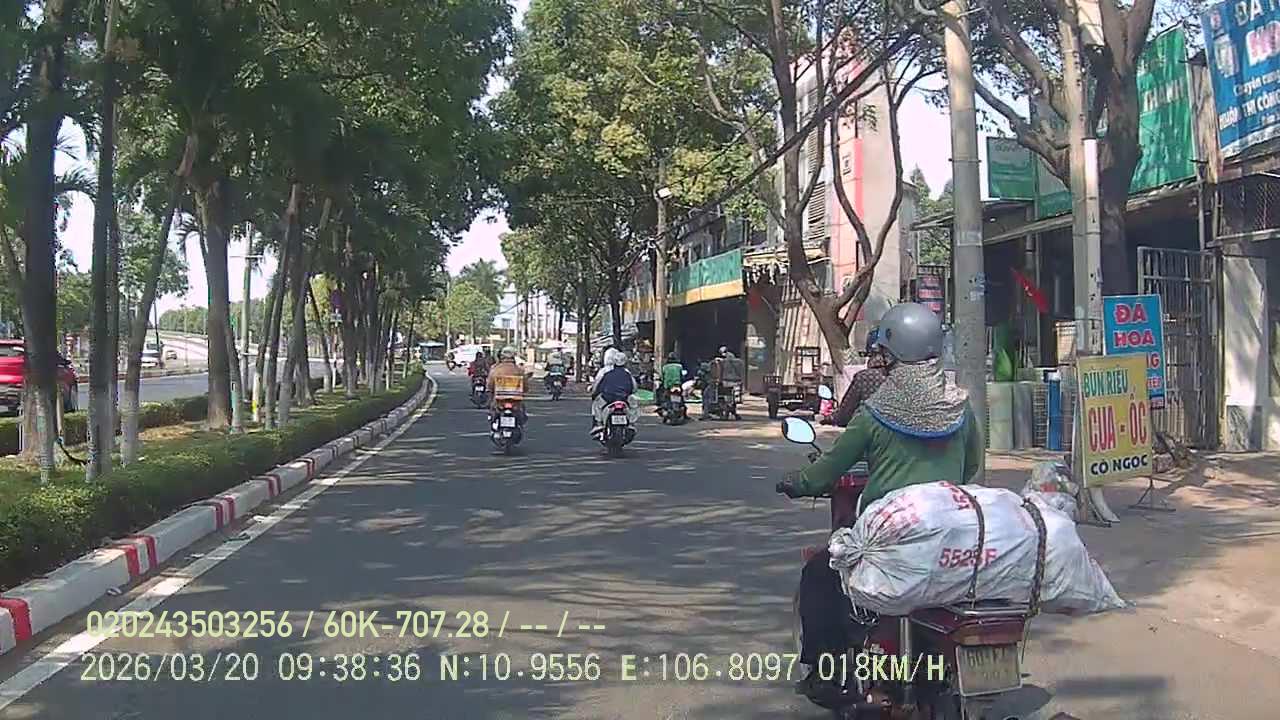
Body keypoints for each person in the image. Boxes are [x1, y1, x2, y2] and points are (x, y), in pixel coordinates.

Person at [775, 303, 985, 707]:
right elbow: (971, 465)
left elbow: (828, 470)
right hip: (950, 540)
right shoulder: (959, 407)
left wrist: (797, 483)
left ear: (892, 354)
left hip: (887, 543)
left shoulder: (877, 412)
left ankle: (824, 673)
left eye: (883, 353)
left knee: (819, 574)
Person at [822, 327, 889, 428]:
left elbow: (845, 413)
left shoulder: (864, 378)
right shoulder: (904, 375)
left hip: (869, 431)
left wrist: (830, 418)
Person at [590, 349, 638, 433]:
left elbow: (598, 386)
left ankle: (599, 424)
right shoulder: (628, 374)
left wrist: (594, 394)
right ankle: (631, 424)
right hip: (624, 398)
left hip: (608, 398)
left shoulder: (606, 373)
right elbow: (634, 388)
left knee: (596, 405)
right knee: (634, 405)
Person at [486, 346, 528, 424]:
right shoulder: (519, 370)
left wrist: (490, 391)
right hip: (516, 400)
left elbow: (490, 385)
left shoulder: (495, 369)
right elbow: (525, 386)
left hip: (499, 399)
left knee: (492, 411)